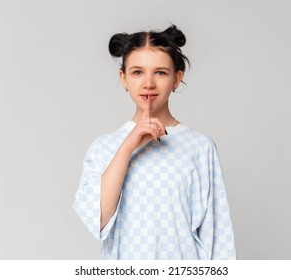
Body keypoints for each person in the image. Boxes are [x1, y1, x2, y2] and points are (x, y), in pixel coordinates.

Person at [72, 24, 236, 260]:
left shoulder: (200, 147)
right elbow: (97, 219)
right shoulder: (104, 147)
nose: (148, 83)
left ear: (177, 79)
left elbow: (218, 236)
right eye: (137, 72)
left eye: (160, 72)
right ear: (124, 78)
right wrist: (128, 146)